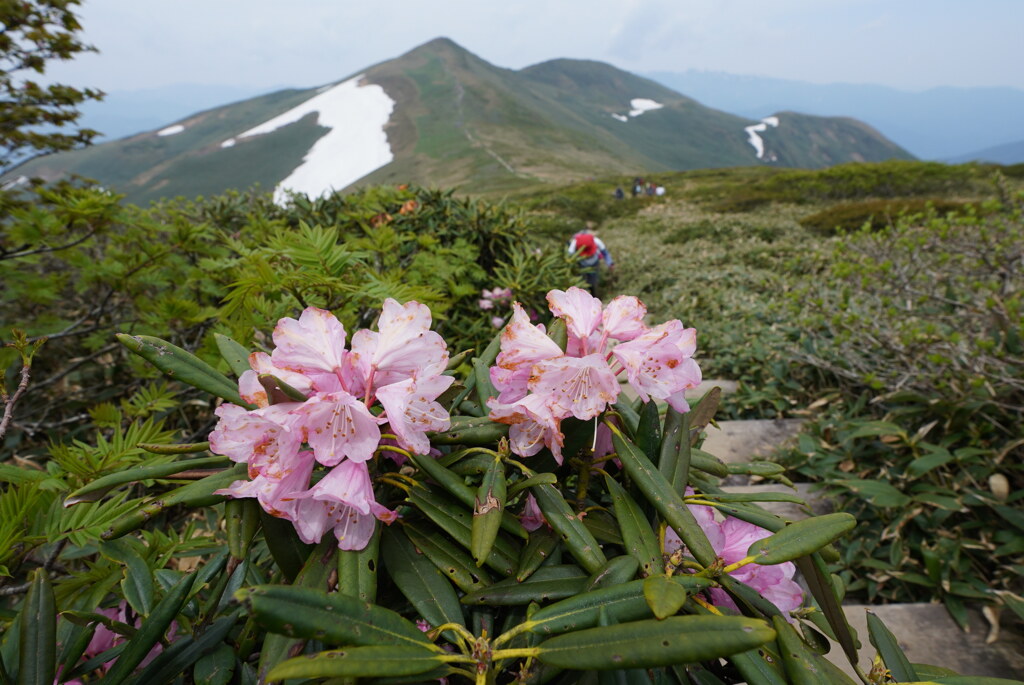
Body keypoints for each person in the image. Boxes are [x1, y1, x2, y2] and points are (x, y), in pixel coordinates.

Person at [567, 224, 614, 294]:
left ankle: (594, 294)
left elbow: (605, 253)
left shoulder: (596, 241)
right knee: (582, 281)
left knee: (593, 281)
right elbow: (569, 255)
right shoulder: (575, 242)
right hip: (581, 263)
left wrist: (610, 263)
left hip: (594, 263)